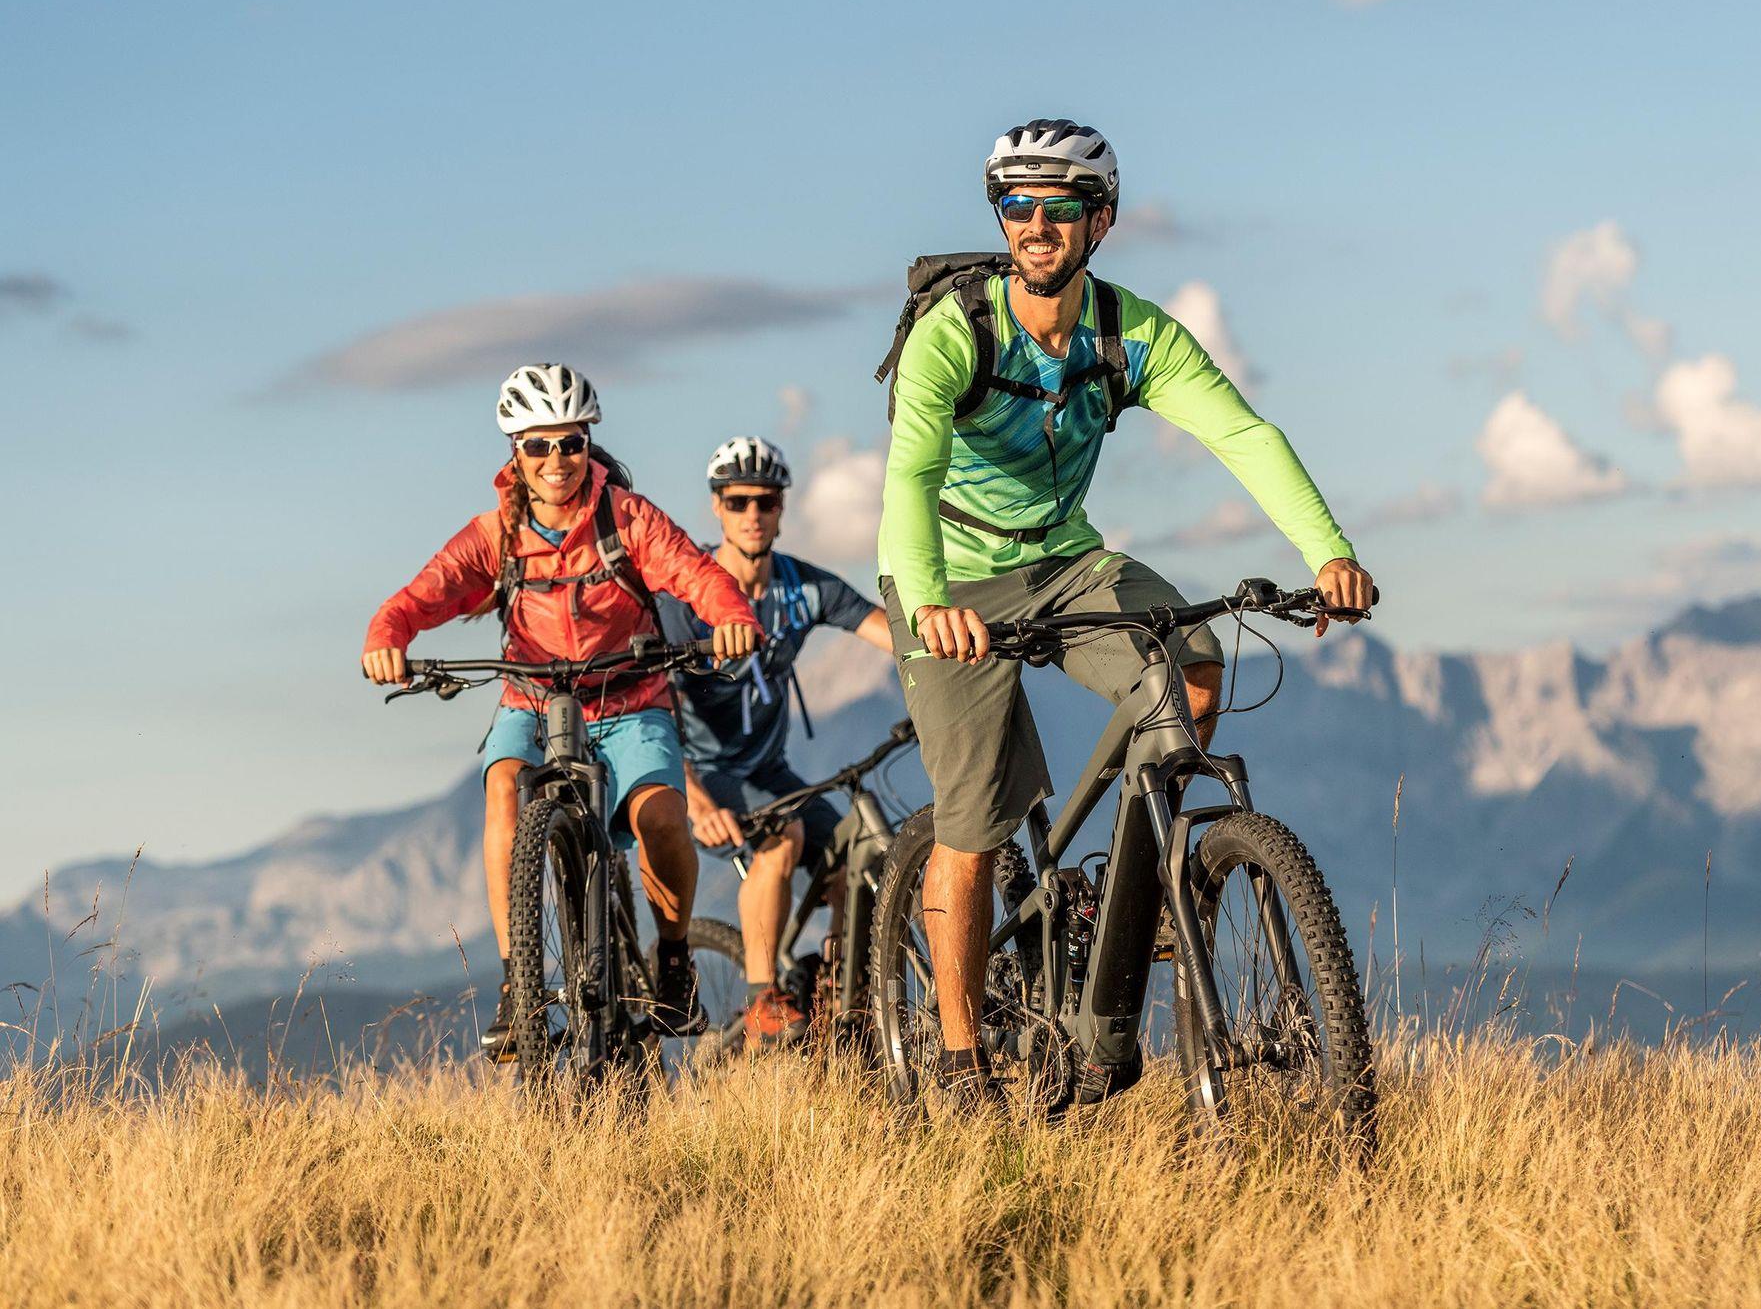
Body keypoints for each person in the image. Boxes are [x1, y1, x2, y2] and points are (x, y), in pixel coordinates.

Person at [878, 119, 1376, 1108]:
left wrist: (1326, 551)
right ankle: (961, 1056)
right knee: (973, 817)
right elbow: (910, 474)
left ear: (1099, 221)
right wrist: (929, 600)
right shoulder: (955, 332)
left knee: (1193, 666)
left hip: (1066, 558)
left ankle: (1129, 894)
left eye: (1058, 207)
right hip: (948, 574)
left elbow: (1240, 432)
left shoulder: (1128, 333)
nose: (1035, 226)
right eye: (1015, 206)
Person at [362, 363, 763, 1060]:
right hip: (532, 699)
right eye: (539, 445)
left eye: (571, 443)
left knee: (662, 817)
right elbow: (428, 591)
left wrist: (731, 616)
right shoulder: (495, 534)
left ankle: (673, 963)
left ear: (588, 445)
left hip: (629, 699)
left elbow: (694, 573)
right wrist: (386, 637)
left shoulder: (627, 519)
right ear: (515, 453)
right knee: (503, 790)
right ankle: (518, 984)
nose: (557, 459)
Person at [656, 435, 896, 1047]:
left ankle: (842, 996)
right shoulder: (685, 597)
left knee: (859, 859)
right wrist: (695, 801)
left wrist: (952, 650)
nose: (753, 514)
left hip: (771, 770)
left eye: (765, 501)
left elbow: (889, 633)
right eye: (738, 502)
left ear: (783, 506)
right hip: (704, 774)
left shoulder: (800, 589)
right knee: (783, 837)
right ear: (716, 507)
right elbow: (649, 708)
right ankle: (763, 996)